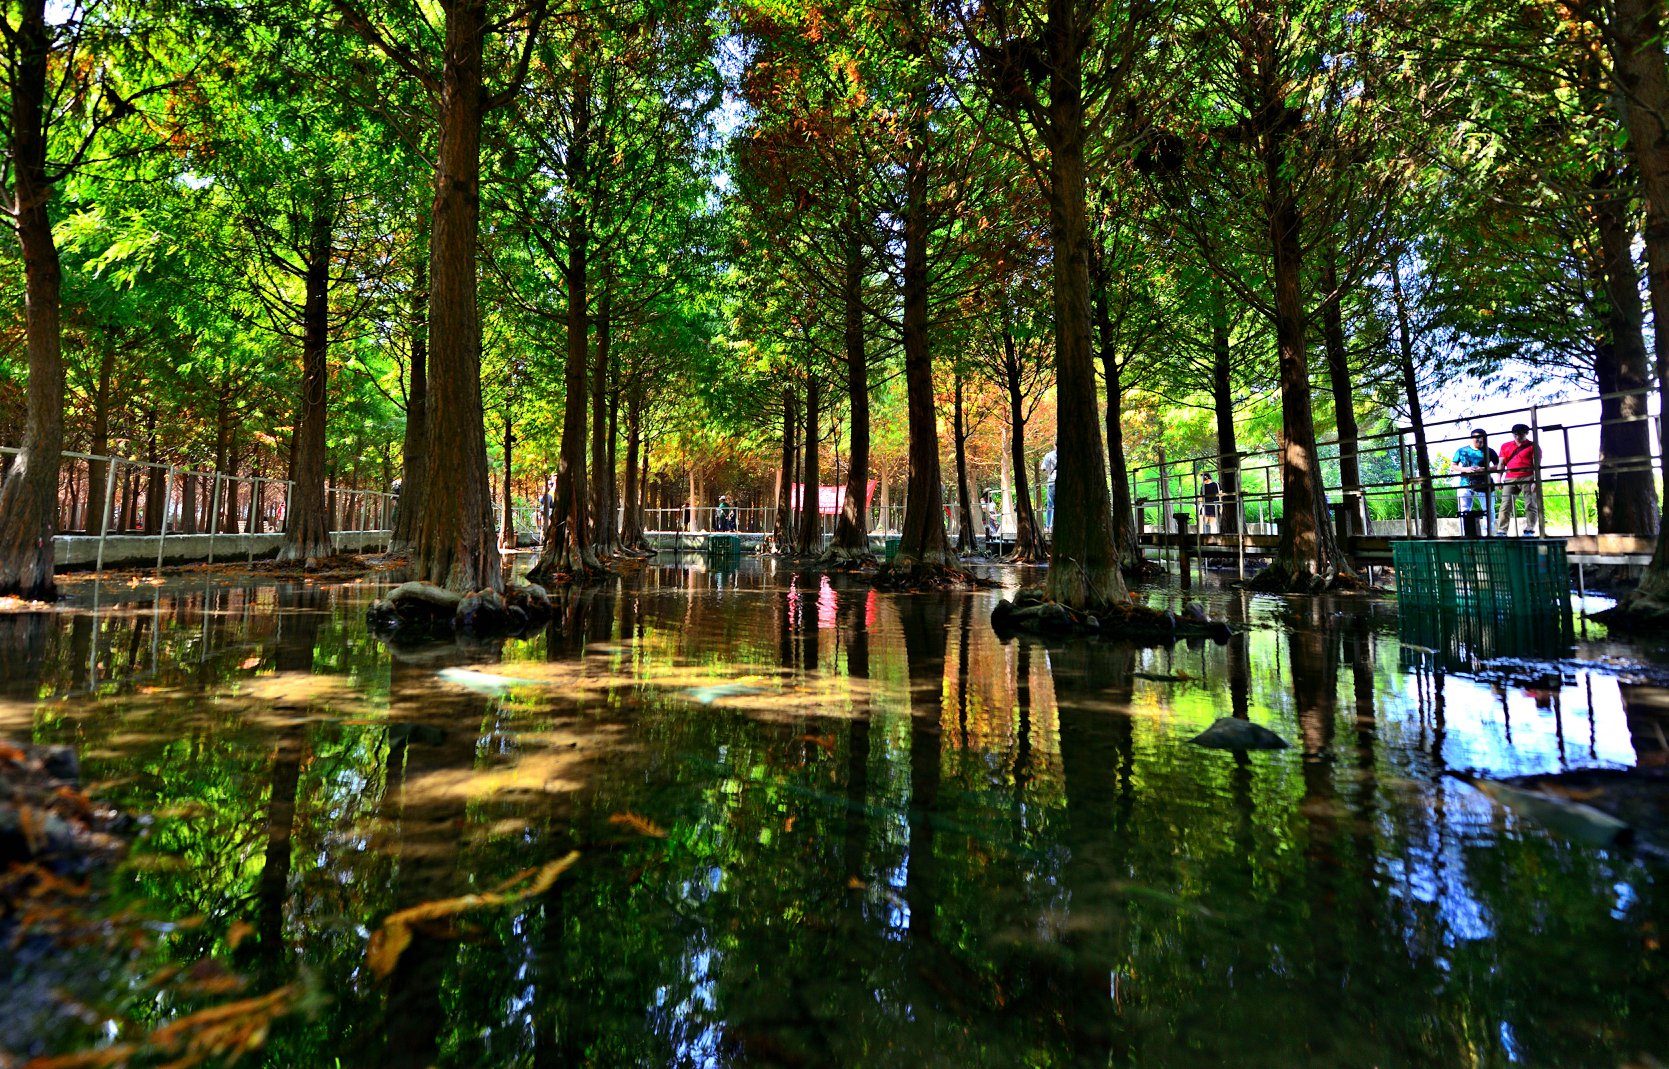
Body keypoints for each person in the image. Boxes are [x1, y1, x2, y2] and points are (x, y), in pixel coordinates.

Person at [1495, 423, 1541, 536]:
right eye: (1515, 435)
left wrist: (1535, 480)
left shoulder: (1533, 446)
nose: (1517, 437)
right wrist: (1498, 479)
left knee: (1530, 503)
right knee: (1505, 504)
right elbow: (1501, 463)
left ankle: (1529, 529)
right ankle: (1502, 530)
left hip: (1528, 477)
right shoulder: (1505, 446)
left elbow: (1537, 464)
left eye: (1520, 435)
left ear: (1526, 434)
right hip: (1510, 478)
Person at [1452, 428, 1497, 522]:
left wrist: (1484, 469)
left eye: (1482, 439)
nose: (1480, 441)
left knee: (1489, 510)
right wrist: (1466, 469)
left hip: (1485, 483)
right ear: (1472, 438)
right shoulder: (1461, 451)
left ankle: (1489, 533)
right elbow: (1453, 466)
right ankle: (1466, 534)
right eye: (1477, 439)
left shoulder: (1490, 451)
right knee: (1464, 510)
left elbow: (1499, 466)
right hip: (1465, 483)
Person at [1040, 447, 1058, 529]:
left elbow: (1043, 467)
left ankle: (1048, 526)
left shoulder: (1049, 455)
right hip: (1064, 482)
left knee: (1050, 505)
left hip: (1052, 481)